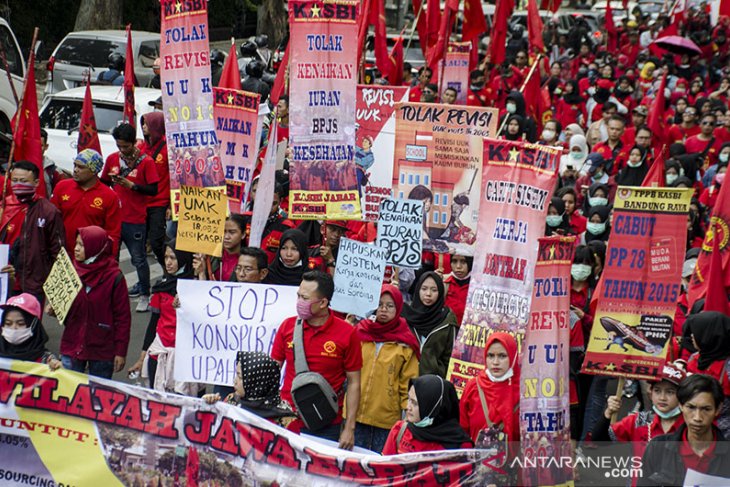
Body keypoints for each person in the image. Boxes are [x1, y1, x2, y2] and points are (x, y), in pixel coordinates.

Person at [270, 271, 362, 449]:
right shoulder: (287, 327)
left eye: (304, 298)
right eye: (298, 296)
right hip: (287, 417)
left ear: (323, 303)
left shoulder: (347, 333)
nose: (299, 302)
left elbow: (354, 383)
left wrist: (350, 428)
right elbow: (272, 371)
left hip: (326, 423)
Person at [100, 123, 160, 312]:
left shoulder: (146, 162)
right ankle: (112, 293)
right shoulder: (111, 159)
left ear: (134, 142)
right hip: (114, 219)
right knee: (112, 259)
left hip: (136, 220)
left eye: (126, 146)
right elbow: (103, 183)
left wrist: (132, 186)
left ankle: (144, 294)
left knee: (139, 259)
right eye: (119, 146)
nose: (123, 150)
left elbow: (153, 190)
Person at [354, 285, 420, 453]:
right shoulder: (360, 333)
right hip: (355, 414)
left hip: (386, 419)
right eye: (380, 304)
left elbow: (408, 383)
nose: (383, 309)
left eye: (390, 306)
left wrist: (408, 416)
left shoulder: (405, 343)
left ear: (398, 309)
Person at [58, 226, 130, 379]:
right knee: (70, 395)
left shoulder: (114, 277)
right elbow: (65, 306)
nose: (76, 249)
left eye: (82, 245)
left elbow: (123, 318)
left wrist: (120, 351)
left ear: (95, 247)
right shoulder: (70, 271)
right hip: (73, 344)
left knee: (96, 398)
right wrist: (55, 308)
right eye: (76, 243)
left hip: (101, 349)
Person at [128, 240, 195, 393]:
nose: (168, 263)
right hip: (158, 353)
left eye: (173, 258)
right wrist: (141, 358)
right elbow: (153, 323)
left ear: (184, 258)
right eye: (166, 258)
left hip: (184, 357)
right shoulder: (161, 287)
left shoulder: (196, 287)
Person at [640, 374, 730, 486]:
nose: (697, 417)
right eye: (691, 407)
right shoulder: (657, 447)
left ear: (718, 409)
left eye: (706, 409)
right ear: (681, 406)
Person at [593, 363, 686, 464]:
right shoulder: (639, 421)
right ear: (650, 393)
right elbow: (599, 439)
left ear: (681, 395)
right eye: (657, 391)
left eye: (670, 392)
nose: (662, 398)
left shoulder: (689, 425)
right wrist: (608, 413)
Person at [1, 161, 65, 302]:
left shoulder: (48, 211)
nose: (18, 184)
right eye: (15, 180)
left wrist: (57, 295)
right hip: (4, 280)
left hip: (33, 284)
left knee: (29, 323)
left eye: (23, 181)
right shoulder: (3, 207)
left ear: (36, 182)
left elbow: (58, 251)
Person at [51, 149, 122, 256]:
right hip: (63, 254)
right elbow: (51, 220)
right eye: (75, 165)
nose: (75, 170)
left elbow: (113, 232)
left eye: (81, 167)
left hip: (91, 256)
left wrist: (109, 258)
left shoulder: (110, 196)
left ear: (94, 171)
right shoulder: (62, 187)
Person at [382, 375, 473, 455]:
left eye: (415, 403)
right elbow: (383, 469)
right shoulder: (399, 431)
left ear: (432, 407)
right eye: (409, 399)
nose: (408, 407)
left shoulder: (461, 447)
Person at [459, 333, 520, 447]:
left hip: (515, 462)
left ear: (513, 356)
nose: (495, 362)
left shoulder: (524, 389)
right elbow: (462, 430)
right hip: (478, 462)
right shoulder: (473, 387)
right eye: (491, 355)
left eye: (502, 356)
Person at [202, 351, 294, 424]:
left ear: (256, 382)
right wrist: (208, 406)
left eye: (240, 377)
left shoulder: (286, 420)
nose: (235, 381)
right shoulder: (231, 401)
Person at [403, 271, 458, 378]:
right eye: (424, 289)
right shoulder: (405, 315)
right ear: (418, 289)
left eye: (434, 290)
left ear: (441, 292)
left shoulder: (447, 319)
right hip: (405, 381)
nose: (428, 294)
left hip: (433, 384)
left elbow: (449, 358)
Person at [139, 112, 169, 270]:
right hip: (142, 203)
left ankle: (169, 270)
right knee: (140, 245)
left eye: (147, 123)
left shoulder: (168, 149)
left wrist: (171, 205)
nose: (144, 126)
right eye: (142, 123)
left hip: (160, 202)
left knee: (157, 242)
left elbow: (173, 179)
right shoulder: (140, 147)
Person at [0, 293, 61, 369]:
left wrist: (56, 368)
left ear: (34, 325)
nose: (13, 328)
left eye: (20, 324)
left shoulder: (46, 360)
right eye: (8, 323)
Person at [193, 215, 246, 282]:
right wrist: (201, 272)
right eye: (223, 232)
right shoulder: (209, 257)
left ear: (243, 234)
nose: (226, 237)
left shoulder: (248, 260)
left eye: (232, 232)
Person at [444, 254, 472, 326]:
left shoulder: (477, 285)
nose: (458, 266)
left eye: (463, 262)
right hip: (448, 329)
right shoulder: (445, 283)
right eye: (454, 261)